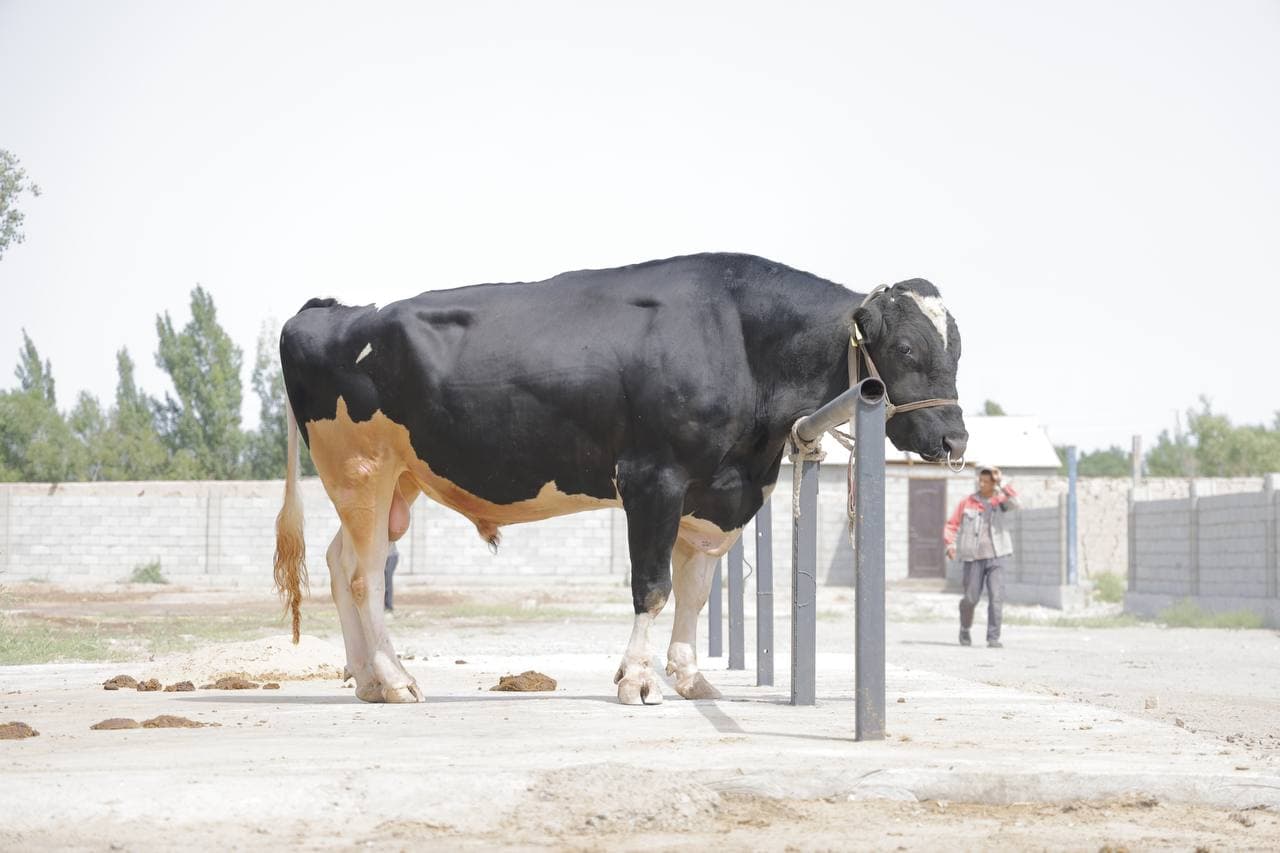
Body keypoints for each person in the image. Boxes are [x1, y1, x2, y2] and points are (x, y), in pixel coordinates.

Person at [943, 465, 1020, 648]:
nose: (982, 483)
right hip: (972, 557)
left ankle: (993, 637)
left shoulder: (1000, 502)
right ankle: (965, 628)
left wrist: (1002, 482)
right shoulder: (968, 502)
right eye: (980, 480)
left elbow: (1016, 502)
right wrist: (950, 545)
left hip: (996, 557)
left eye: (986, 481)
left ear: (994, 483)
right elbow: (952, 525)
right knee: (971, 598)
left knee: (996, 596)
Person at [383, 540, 399, 613]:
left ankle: (389, 606)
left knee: (388, 579)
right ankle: (383, 605)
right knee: (383, 581)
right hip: (382, 557)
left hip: (392, 556)